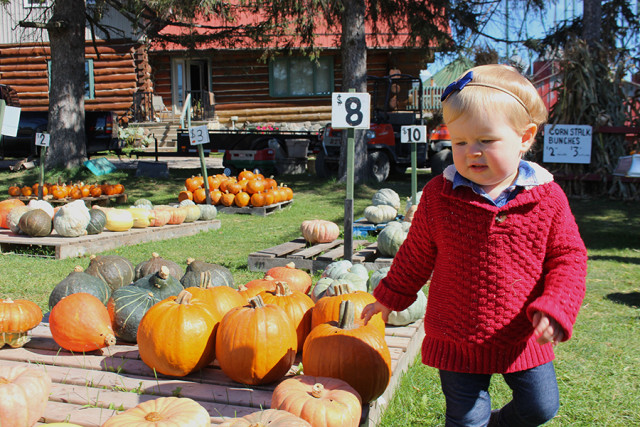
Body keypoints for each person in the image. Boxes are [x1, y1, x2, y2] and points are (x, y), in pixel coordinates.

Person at [362, 64, 588, 427]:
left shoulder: (547, 198)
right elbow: (416, 253)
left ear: (525, 136)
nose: (471, 153)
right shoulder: (440, 196)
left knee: (540, 407)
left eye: (486, 140)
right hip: (456, 333)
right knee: (467, 419)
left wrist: (557, 305)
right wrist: (390, 297)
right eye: (460, 142)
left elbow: (569, 257)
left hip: (522, 333)